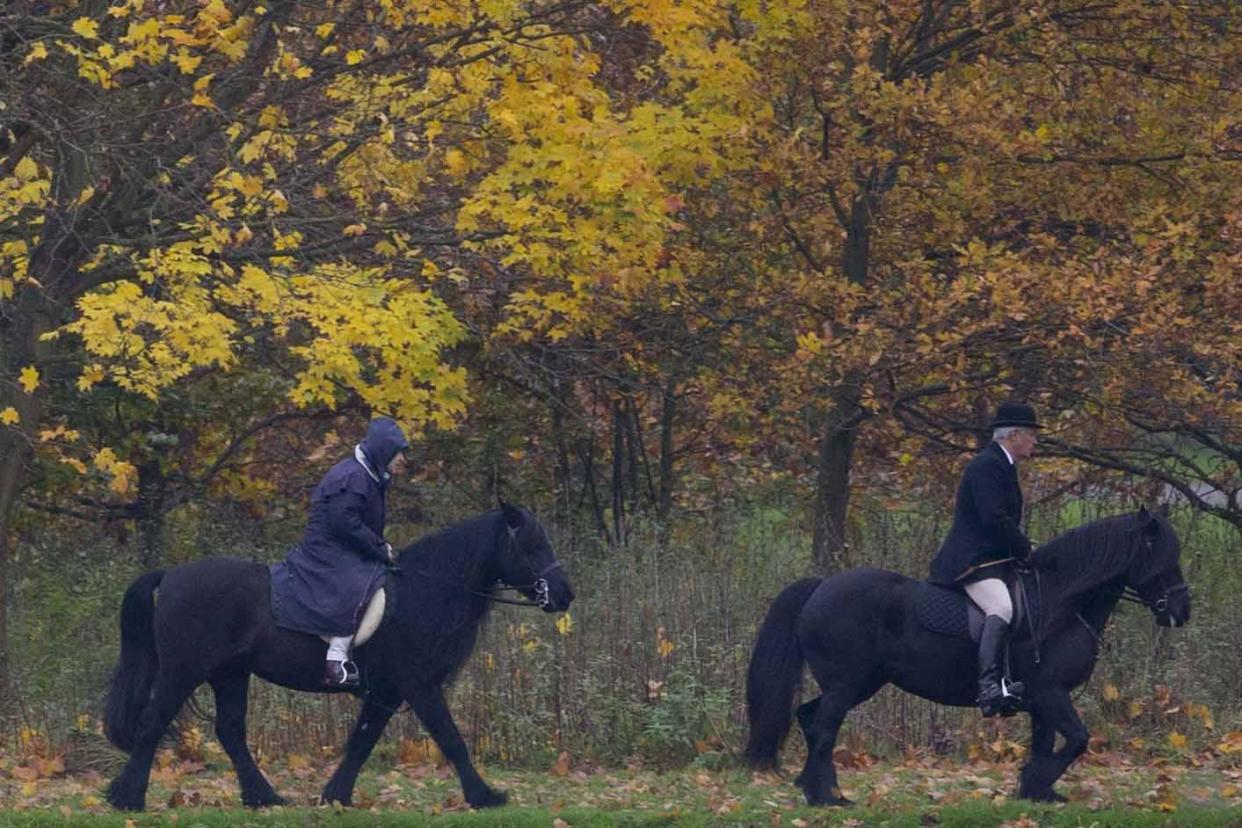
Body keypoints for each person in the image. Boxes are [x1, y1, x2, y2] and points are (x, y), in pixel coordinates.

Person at [270, 417, 409, 687]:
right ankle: (335, 660)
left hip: (343, 545)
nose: (403, 459)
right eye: (398, 452)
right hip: (327, 550)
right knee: (359, 582)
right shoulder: (352, 477)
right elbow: (344, 523)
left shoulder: (369, 475)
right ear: (383, 450)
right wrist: (380, 549)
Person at [929, 402, 1041, 717]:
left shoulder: (1003, 465)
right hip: (972, 561)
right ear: (1015, 435)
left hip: (993, 559)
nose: (1035, 441)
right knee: (1001, 607)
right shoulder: (986, 466)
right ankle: (989, 687)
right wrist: (1023, 547)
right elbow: (994, 519)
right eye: (1031, 435)